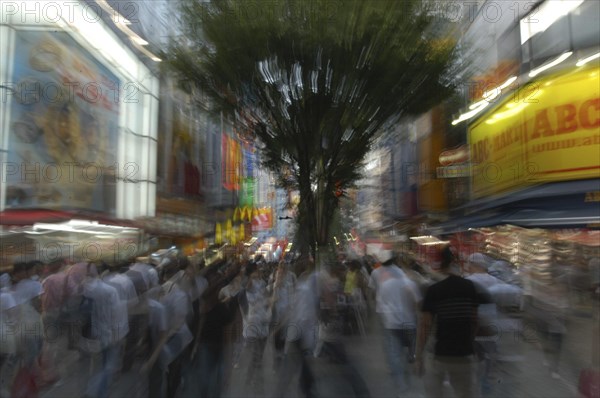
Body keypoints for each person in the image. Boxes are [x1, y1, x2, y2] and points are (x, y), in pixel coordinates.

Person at [415, 245, 485, 398]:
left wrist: (419, 357)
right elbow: (475, 321)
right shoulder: (469, 287)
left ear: (439, 264)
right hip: (465, 355)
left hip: (440, 354)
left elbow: (425, 326)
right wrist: (468, 341)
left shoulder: (434, 290)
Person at [368, 250, 421, 394]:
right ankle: (410, 357)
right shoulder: (406, 279)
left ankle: (400, 381)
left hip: (389, 319)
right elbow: (416, 303)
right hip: (408, 320)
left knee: (393, 350)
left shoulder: (377, 275)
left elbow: (374, 294)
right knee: (408, 346)